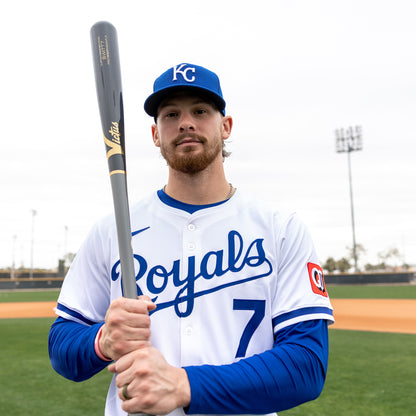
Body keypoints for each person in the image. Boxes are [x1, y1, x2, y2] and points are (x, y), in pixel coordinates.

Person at [49, 63, 334, 416]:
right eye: (171, 114)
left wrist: (184, 385)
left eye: (200, 110)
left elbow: (306, 365)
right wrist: (102, 340)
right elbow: (61, 345)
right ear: (156, 134)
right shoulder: (111, 230)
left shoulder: (280, 228)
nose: (186, 122)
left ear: (225, 126)